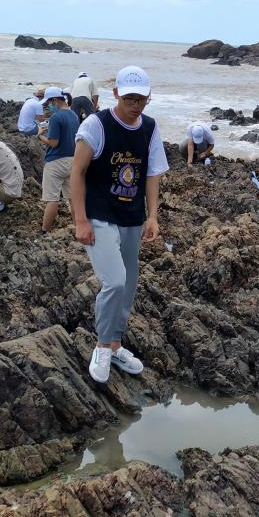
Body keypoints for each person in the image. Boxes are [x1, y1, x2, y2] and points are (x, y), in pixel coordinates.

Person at [71, 65, 168, 384]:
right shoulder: (96, 125)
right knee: (114, 282)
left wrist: (152, 216)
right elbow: (77, 173)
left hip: (131, 217)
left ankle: (115, 344)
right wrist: (80, 220)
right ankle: (102, 346)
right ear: (116, 94)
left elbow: (152, 174)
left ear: (148, 96)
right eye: (129, 99)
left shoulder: (150, 128)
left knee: (128, 285)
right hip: (99, 214)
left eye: (141, 99)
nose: (136, 105)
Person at [37, 86, 80, 232]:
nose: (48, 106)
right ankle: (77, 226)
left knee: (52, 199)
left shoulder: (56, 117)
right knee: (72, 198)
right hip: (73, 160)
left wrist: (40, 135)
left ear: (55, 100)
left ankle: (45, 231)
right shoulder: (74, 115)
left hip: (56, 162)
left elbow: (53, 143)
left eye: (49, 102)